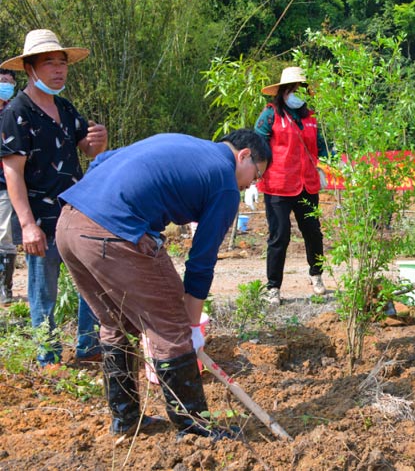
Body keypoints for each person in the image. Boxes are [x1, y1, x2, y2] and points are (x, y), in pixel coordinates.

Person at [56, 129, 270, 437]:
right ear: (244, 155)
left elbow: (102, 160)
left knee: (116, 323)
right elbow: (201, 261)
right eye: (256, 174)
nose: (252, 184)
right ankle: (195, 428)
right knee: (171, 325)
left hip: (69, 223)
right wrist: (191, 331)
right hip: (113, 232)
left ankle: (126, 420)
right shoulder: (224, 182)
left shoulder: (183, 143)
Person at [0, 30, 107, 365]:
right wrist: (27, 224)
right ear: (30, 68)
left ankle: (88, 346)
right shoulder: (18, 112)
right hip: (40, 218)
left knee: (89, 280)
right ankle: (48, 357)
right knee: (43, 290)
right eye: (50, 63)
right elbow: (12, 171)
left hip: (74, 213)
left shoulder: (64, 107)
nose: (59, 70)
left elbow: (86, 149)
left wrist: (97, 141)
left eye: (62, 64)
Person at [254, 66, 326, 305]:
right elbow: (258, 145)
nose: (298, 93)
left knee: (313, 232)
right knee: (279, 235)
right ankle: (273, 287)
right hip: (278, 184)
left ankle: (317, 274)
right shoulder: (271, 113)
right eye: (294, 89)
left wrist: (326, 167)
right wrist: (255, 176)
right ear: (283, 91)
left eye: (301, 89)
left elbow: (323, 147)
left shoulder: (311, 117)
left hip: (307, 183)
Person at [0, 68, 22, 306]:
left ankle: (4, 289)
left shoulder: (16, 113)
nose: (6, 85)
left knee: (4, 234)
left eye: (9, 82)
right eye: (2, 81)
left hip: (5, 181)